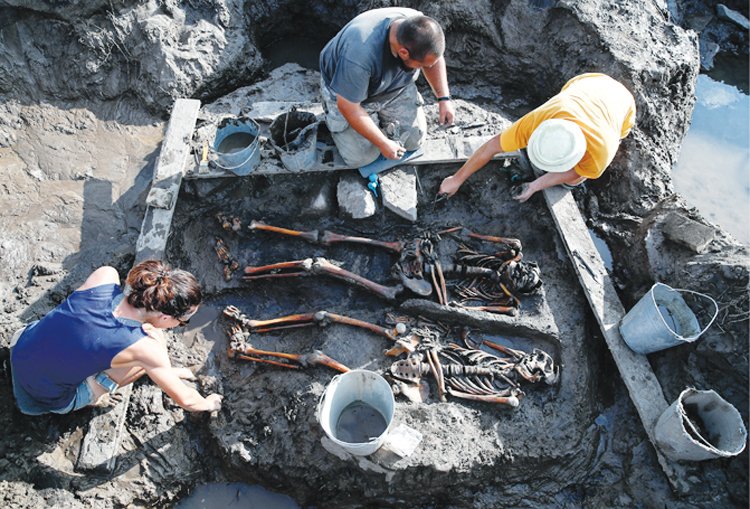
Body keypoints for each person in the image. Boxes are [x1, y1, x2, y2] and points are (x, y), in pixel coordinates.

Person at [9, 259, 223, 416]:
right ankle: (99, 395)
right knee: (142, 361)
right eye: (181, 322)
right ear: (164, 316)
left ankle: (162, 372)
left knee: (137, 351)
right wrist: (209, 403)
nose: (179, 326)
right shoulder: (146, 348)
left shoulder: (105, 275)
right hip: (44, 398)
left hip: (19, 347)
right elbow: (187, 400)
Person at [438, 73, 636, 202]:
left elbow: (576, 173)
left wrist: (535, 186)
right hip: (588, 82)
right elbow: (491, 146)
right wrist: (457, 179)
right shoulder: (535, 122)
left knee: (572, 183)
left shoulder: (600, 153)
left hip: (624, 105)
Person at [319, 7, 455, 168]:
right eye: (421, 66)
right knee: (362, 158)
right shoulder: (358, 56)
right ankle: (339, 120)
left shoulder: (419, 28)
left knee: (413, 140)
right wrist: (383, 142)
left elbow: (433, 59)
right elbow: (349, 107)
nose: (425, 67)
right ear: (404, 53)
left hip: (394, 87)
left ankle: (378, 121)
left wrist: (443, 98)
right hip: (348, 94)